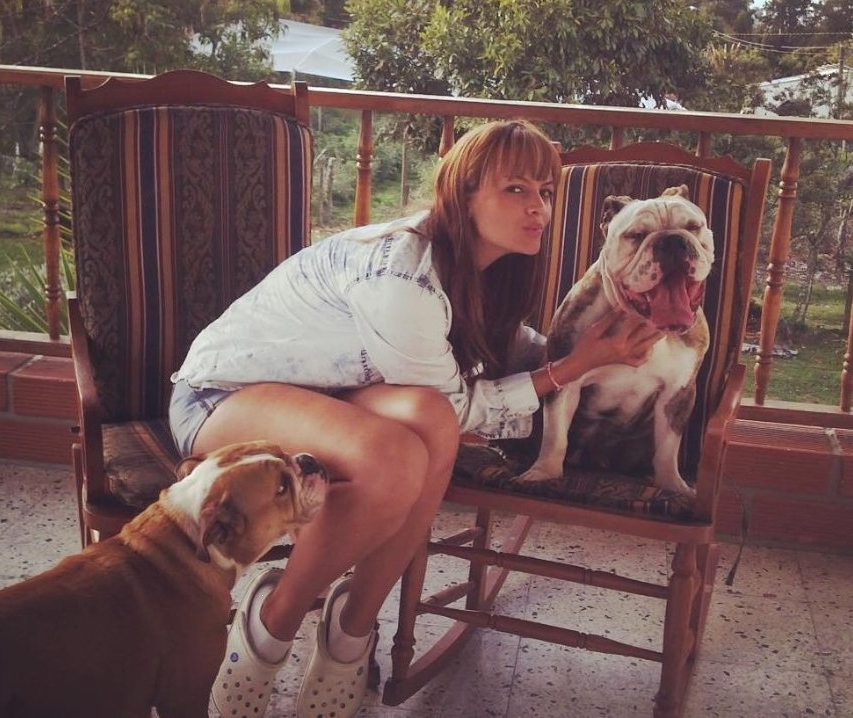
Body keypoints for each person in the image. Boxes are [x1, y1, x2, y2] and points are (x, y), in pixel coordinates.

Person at [168, 119, 663, 718]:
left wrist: (593, 350)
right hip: (225, 396)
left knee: (428, 422)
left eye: (545, 191)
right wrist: (572, 368)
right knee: (405, 447)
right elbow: (464, 406)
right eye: (515, 189)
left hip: (331, 396)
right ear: (464, 195)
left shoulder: (479, 270)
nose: (538, 207)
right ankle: (272, 624)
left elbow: (485, 367)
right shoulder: (403, 275)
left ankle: (350, 632)